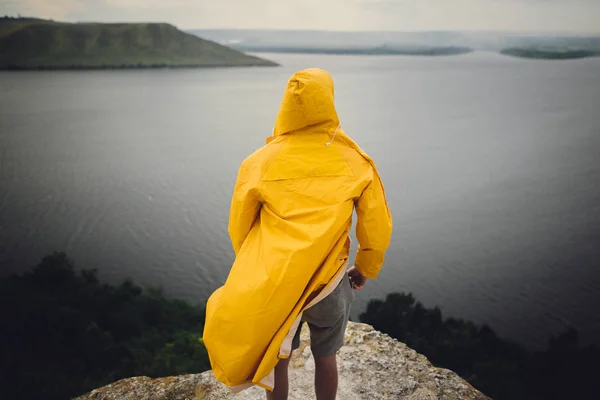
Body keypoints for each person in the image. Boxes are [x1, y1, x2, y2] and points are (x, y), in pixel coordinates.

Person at [203, 68, 392, 400]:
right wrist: (364, 269)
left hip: (277, 281)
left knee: (277, 359)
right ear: (328, 102)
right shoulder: (356, 161)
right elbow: (376, 226)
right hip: (330, 282)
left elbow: (240, 225)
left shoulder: (259, 162)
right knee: (326, 357)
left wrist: (255, 270)